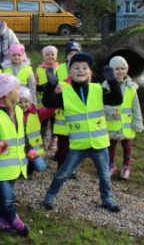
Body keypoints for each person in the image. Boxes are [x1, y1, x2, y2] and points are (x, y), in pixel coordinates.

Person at [42, 53, 123, 213]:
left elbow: (116, 99)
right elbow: (48, 102)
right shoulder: (66, 93)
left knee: (105, 176)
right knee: (63, 173)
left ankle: (107, 199)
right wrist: (50, 86)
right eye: (76, 68)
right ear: (69, 72)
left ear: (90, 73)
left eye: (85, 68)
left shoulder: (98, 89)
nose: (81, 70)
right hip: (78, 146)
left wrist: (113, 82)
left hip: (99, 145)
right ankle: (49, 197)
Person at [0, 73, 30, 236]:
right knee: (9, 199)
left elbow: (22, 135)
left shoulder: (17, 110)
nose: (21, 91)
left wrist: (29, 149)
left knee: (5, 196)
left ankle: (1, 219)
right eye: (17, 89)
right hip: (1, 166)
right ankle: (15, 222)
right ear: (6, 94)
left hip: (15, 164)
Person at [103, 56, 143, 180]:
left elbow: (136, 107)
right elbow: (101, 104)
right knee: (111, 146)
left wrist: (138, 122)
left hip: (127, 125)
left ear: (126, 70)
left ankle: (126, 167)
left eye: (122, 68)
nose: (120, 71)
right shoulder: (105, 87)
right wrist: (109, 112)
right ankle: (111, 165)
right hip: (112, 124)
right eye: (116, 69)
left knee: (127, 147)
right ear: (111, 71)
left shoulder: (131, 87)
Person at [54, 40, 82, 170]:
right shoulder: (59, 69)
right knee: (62, 144)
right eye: (71, 53)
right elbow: (54, 87)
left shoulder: (84, 69)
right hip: (62, 113)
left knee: (75, 144)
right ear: (66, 55)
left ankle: (72, 169)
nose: (73, 55)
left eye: (76, 53)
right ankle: (61, 167)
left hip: (76, 113)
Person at [18, 86, 56, 175]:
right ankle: (26, 165)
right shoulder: (13, 114)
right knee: (21, 171)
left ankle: (30, 163)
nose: (23, 105)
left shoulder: (37, 113)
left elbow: (50, 108)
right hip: (19, 147)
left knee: (41, 167)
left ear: (30, 102)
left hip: (34, 148)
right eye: (20, 102)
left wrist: (56, 95)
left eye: (26, 101)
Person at [36, 45, 59, 151]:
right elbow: (35, 84)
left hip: (56, 102)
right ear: (43, 56)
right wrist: (41, 86)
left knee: (56, 123)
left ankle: (54, 140)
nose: (50, 56)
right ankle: (43, 140)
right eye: (47, 55)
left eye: (52, 54)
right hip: (43, 103)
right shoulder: (39, 69)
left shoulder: (59, 68)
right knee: (43, 123)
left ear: (56, 56)